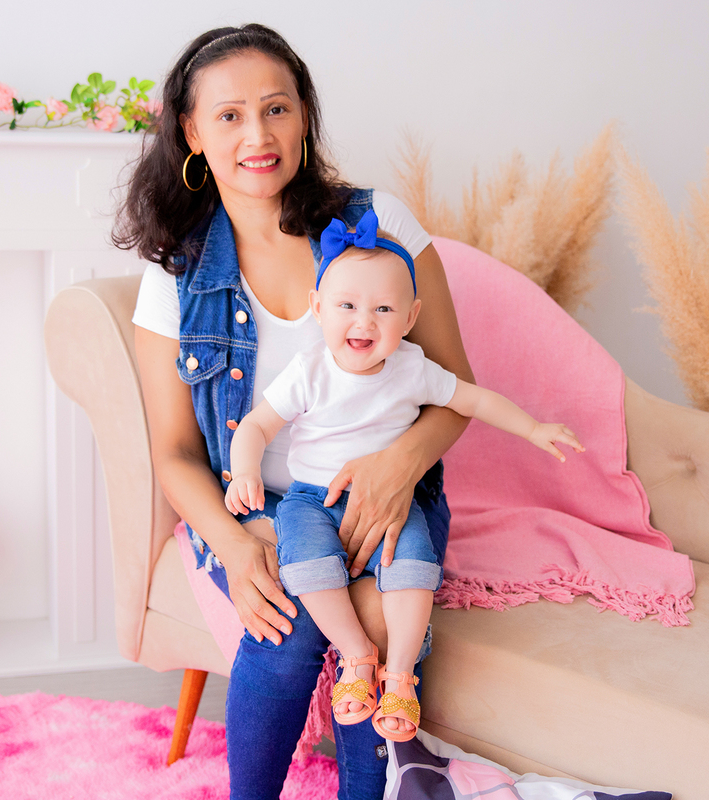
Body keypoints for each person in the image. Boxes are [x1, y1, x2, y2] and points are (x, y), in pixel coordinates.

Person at [117, 23, 475, 800]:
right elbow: (176, 452)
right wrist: (236, 543)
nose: (258, 135)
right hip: (250, 505)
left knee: (370, 616)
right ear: (191, 131)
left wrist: (395, 470)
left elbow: (453, 388)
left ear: (304, 117)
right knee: (285, 622)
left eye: (277, 109)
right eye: (230, 116)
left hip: (382, 489)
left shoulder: (380, 224)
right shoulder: (175, 274)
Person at [224, 212, 584, 744]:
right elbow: (255, 425)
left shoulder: (412, 368)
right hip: (310, 500)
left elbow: (474, 398)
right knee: (305, 567)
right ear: (317, 308)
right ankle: (356, 654)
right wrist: (246, 470)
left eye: (383, 309)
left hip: (392, 503)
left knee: (414, 568)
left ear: (411, 316)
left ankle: (399, 675)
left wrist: (532, 428)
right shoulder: (310, 370)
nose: (363, 322)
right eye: (346, 306)